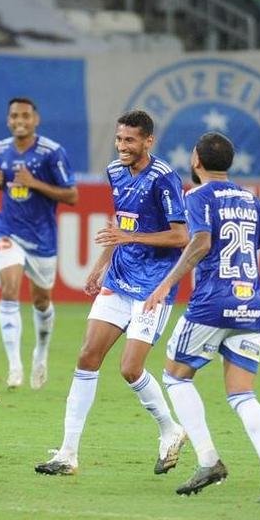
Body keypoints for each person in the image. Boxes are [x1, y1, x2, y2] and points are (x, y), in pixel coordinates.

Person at [35, 110, 188, 476]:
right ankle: (68, 454)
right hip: (119, 278)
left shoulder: (164, 179)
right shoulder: (115, 172)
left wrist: (129, 238)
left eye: (130, 140)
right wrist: (101, 263)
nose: (122, 146)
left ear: (148, 141)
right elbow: (121, 221)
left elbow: (181, 236)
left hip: (153, 286)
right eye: (119, 139)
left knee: (130, 368)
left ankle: (170, 428)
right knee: (87, 356)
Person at [143, 131, 260, 503]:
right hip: (249, 307)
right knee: (243, 394)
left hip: (211, 304)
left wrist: (164, 285)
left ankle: (209, 459)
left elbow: (201, 243)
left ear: (195, 161)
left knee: (175, 377)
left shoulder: (197, 197)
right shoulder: (252, 201)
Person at [0, 97, 78, 390]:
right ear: (8, 119)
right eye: (14, 115)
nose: (20, 120)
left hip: (41, 237)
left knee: (41, 300)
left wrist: (35, 182)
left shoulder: (52, 153)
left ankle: (41, 352)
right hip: (8, 229)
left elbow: (72, 196)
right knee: (10, 289)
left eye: (25, 115)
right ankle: (14, 366)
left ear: (35, 119)